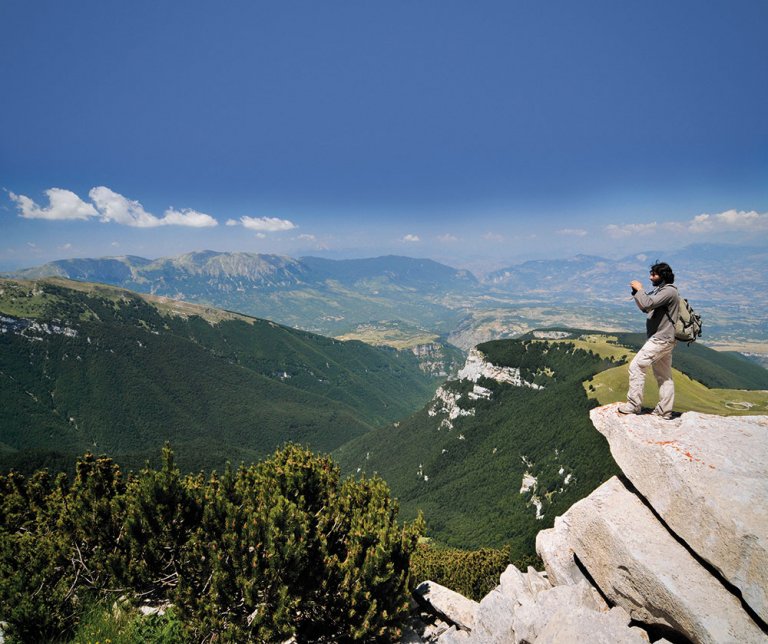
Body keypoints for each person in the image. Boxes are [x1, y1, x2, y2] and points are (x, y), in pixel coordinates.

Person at [618, 261, 679, 419]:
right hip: (664, 339)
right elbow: (645, 307)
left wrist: (640, 289)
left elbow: (647, 303)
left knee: (636, 366)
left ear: (663, 276)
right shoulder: (662, 291)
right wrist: (636, 293)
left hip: (660, 339)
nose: (650, 277)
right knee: (664, 376)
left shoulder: (668, 292)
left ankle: (633, 405)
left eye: (654, 274)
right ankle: (665, 411)